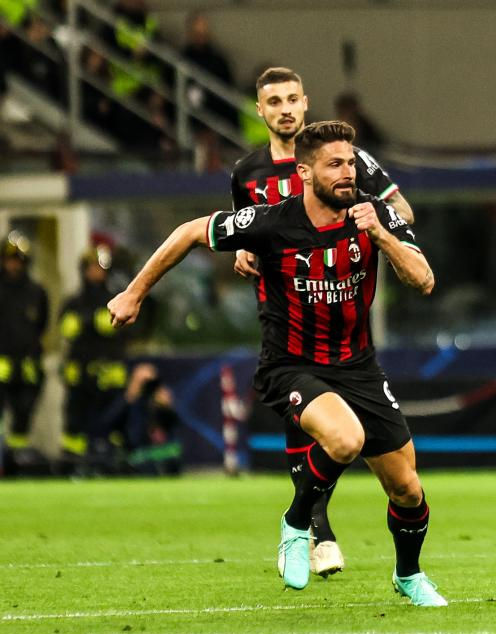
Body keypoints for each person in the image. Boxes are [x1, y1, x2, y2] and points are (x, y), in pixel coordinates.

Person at [108, 120, 447, 605]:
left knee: (407, 489)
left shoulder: (375, 217)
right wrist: (134, 292)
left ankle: (408, 576)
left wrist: (383, 235)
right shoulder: (271, 222)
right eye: (334, 165)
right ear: (306, 173)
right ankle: (296, 522)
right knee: (345, 438)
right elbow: (189, 232)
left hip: (359, 367)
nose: (348, 173)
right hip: (292, 365)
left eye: (350, 162)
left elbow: (424, 279)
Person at [226, 66, 415, 579]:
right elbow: (242, 233)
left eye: (292, 99)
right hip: (282, 303)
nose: (285, 109)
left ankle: (314, 525)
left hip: (343, 298)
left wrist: (380, 222)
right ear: (260, 111)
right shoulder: (247, 173)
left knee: (381, 460)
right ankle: (317, 528)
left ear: (305, 105)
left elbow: (402, 211)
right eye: (274, 101)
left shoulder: (347, 161)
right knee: (303, 404)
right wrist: (243, 254)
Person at [60, 245, 130, 468]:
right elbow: (67, 329)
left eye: (100, 268)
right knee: (75, 419)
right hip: (80, 372)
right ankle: (73, 463)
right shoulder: (73, 301)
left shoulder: (116, 298)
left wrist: (85, 322)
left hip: (109, 372)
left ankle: (112, 462)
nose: (95, 273)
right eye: (91, 268)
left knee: (112, 420)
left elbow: (115, 327)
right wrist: (93, 322)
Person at [0, 233, 49, 471]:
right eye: (10, 260)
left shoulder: (36, 291)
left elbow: (41, 325)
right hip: (1, 362)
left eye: (19, 260)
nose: (14, 265)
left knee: (23, 413)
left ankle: (16, 461)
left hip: (27, 363)